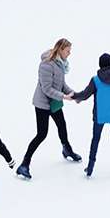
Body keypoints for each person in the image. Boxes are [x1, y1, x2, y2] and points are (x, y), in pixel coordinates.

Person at [17, 39, 82, 178]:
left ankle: (67, 150)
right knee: (41, 134)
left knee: (62, 126)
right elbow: (47, 89)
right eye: (68, 51)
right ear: (60, 49)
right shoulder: (46, 64)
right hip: (43, 104)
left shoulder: (60, 64)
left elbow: (62, 84)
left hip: (54, 102)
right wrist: (64, 97)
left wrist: (74, 94)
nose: (69, 54)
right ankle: (24, 164)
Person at [69, 53, 110, 177]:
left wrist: (74, 95)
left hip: (99, 116)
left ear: (100, 65)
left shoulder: (96, 80)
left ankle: (90, 168)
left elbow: (85, 95)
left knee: (95, 140)